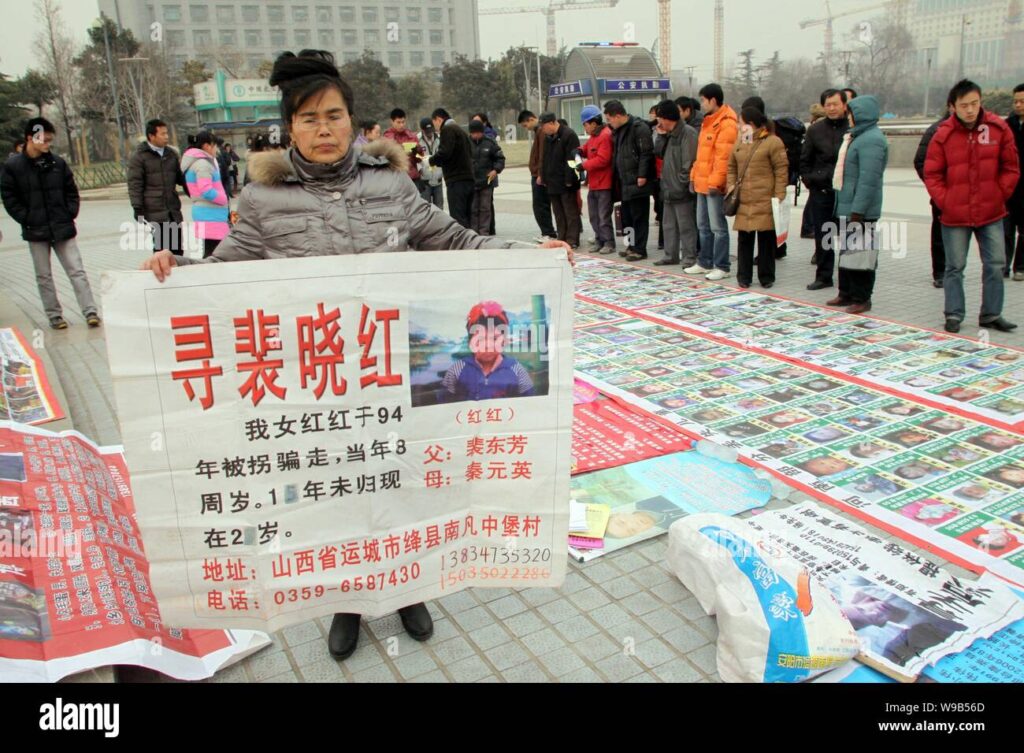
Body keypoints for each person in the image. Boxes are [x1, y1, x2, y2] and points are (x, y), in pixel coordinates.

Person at [139, 50, 571, 660]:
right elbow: (223, 272)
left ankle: (408, 586)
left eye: (335, 115)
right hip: (318, 381)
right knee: (334, 494)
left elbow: (452, 238)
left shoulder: (392, 183)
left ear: (352, 120)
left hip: (389, 372)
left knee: (401, 482)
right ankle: (345, 599)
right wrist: (172, 271)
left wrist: (528, 255)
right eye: (310, 118)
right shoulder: (263, 199)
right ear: (289, 127)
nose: (324, 129)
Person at [924, 79, 1021, 334]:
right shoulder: (943, 135)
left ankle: (991, 313)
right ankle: (954, 314)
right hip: (955, 214)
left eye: (974, 104)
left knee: (996, 263)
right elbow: (932, 174)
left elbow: (1011, 167)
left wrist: (1000, 194)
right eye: (964, 105)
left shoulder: (998, 128)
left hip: (991, 211)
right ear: (952, 106)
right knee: (954, 266)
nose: (970, 110)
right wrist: (946, 201)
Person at [1, 117, 101, 329]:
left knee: (77, 270)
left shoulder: (58, 163)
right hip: (35, 229)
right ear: (31, 138)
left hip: (62, 226)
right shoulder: (13, 166)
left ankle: (90, 310)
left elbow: (71, 191)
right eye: (44, 140)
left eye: (49, 140)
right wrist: (26, 217)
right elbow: (9, 197)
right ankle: (54, 315)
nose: (47, 144)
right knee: (43, 275)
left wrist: (70, 212)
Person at [828, 95, 889, 315]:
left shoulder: (872, 140)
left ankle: (862, 298)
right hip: (848, 206)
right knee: (847, 252)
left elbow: (868, 180)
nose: (848, 117)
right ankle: (845, 293)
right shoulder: (855, 136)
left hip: (861, 211)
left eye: (851, 113)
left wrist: (858, 210)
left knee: (862, 256)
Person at [727, 106, 788, 289]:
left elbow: (781, 170)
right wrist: (731, 185)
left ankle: (766, 276)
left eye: (741, 122)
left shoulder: (773, 142)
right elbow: (731, 166)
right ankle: (743, 277)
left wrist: (779, 195)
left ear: (751, 124)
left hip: (765, 198)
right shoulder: (740, 143)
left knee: (766, 240)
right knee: (744, 240)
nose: (738, 126)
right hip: (744, 199)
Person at [686, 83, 738, 280]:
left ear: (713, 100)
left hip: (713, 185)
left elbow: (723, 158)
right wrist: (693, 176)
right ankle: (705, 261)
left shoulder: (727, 123)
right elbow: (701, 156)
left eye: (703, 100)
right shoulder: (708, 121)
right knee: (703, 225)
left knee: (718, 227)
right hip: (701, 181)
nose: (702, 104)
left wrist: (716, 183)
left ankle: (722, 265)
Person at [801, 89, 849, 290]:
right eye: (827, 104)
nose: (831, 108)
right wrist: (812, 180)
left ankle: (848, 278)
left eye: (835, 104)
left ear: (844, 105)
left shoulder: (852, 129)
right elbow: (805, 161)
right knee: (823, 237)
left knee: (849, 236)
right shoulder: (815, 130)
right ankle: (824, 276)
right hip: (821, 192)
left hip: (846, 192)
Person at [441, 302, 535, 401]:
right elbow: (444, 401)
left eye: (495, 339)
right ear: (470, 342)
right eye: (480, 339)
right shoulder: (458, 368)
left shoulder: (516, 368)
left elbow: (530, 401)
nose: (488, 346)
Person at [128, 118, 189, 255]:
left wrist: (193, 190)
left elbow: (180, 178)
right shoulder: (139, 157)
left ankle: (178, 274)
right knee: (162, 250)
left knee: (177, 250)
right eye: (162, 134)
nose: (166, 137)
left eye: (167, 133)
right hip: (155, 211)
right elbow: (135, 184)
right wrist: (137, 208)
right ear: (151, 136)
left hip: (172, 210)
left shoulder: (171, 154)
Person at [604, 99, 655, 261]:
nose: (609, 123)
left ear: (618, 116)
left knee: (639, 216)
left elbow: (646, 154)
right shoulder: (618, 131)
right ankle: (630, 245)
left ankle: (640, 249)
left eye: (609, 119)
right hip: (624, 180)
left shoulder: (638, 128)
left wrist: (642, 175)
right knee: (626, 217)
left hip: (637, 180)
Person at [914, 104, 955, 288]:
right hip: (943, 194)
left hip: (971, 198)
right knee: (940, 234)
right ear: (951, 106)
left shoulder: (981, 130)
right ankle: (940, 272)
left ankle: (955, 271)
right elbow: (920, 160)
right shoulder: (937, 130)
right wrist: (936, 187)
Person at [655, 100, 699, 269]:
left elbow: (689, 162)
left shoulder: (688, 133)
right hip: (667, 187)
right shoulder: (667, 134)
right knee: (668, 225)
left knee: (686, 225)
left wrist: (682, 183)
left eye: (660, 119)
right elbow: (658, 152)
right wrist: (660, 136)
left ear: (668, 118)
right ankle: (670, 254)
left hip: (680, 188)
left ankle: (689, 256)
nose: (658, 123)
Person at [180, 130, 230, 258]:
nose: (216, 149)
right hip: (210, 213)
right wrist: (223, 199)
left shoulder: (198, 162)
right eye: (214, 145)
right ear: (207, 146)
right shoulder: (202, 164)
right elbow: (206, 190)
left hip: (207, 212)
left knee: (212, 250)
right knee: (213, 252)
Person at [539, 112, 582, 249]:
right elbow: (545, 159)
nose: (543, 129)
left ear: (552, 122)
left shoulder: (569, 135)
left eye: (544, 126)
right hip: (552, 181)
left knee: (570, 212)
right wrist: (544, 176)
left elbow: (572, 159)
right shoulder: (548, 137)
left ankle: (572, 239)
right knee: (558, 212)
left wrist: (569, 180)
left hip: (566, 182)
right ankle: (562, 237)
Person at [429, 107, 475, 228]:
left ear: (438, 119)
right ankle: (470, 243)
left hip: (457, 180)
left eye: (434, 124)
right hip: (468, 179)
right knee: (467, 216)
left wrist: (431, 160)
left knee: (458, 217)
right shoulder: (461, 131)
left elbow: (445, 152)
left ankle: (462, 245)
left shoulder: (447, 129)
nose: (435, 128)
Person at [579, 105, 615, 254]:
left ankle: (609, 242)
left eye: (585, 125)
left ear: (593, 123)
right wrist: (579, 150)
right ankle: (599, 239)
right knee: (594, 215)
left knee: (603, 215)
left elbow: (603, 159)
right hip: (594, 184)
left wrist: (584, 165)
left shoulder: (605, 135)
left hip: (604, 184)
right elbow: (587, 148)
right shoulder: (594, 136)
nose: (585, 128)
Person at [518, 110, 557, 240]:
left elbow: (542, 155)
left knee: (540, 205)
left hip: (539, 176)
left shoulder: (541, 132)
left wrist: (540, 173)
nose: (526, 128)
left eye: (525, 125)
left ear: (530, 119)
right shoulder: (538, 132)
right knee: (540, 205)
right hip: (538, 174)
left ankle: (548, 233)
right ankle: (547, 232)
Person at [468, 120, 505, 236]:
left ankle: (484, 232)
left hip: (487, 182)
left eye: (478, 133)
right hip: (471, 182)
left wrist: (496, 170)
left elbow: (500, 159)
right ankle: (473, 233)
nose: (476, 135)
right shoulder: (466, 143)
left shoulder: (490, 143)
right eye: (473, 133)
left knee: (485, 208)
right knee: (473, 209)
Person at [1006, 83, 1024, 281]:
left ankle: (1020, 266)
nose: (1018, 105)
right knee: (1005, 230)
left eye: (1022, 101)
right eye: (1016, 101)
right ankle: (1003, 265)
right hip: (1009, 187)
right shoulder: (1007, 125)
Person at [383, 107, 424, 190]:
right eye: (398, 122)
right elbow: (392, 151)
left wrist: (418, 151)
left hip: (413, 178)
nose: (401, 125)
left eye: (403, 122)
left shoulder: (411, 136)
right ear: (392, 122)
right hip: (396, 179)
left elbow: (420, 159)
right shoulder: (387, 136)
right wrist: (408, 147)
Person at [416, 117, 444, 209]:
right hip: (425, 181)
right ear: (422, 130)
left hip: (438, 180)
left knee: (439, 209)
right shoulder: (417, 140)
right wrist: (420, 172)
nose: (429, 133)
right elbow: (415, 158)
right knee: (425, 209)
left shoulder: (440, 138)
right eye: (427, 130)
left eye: (431, 129)